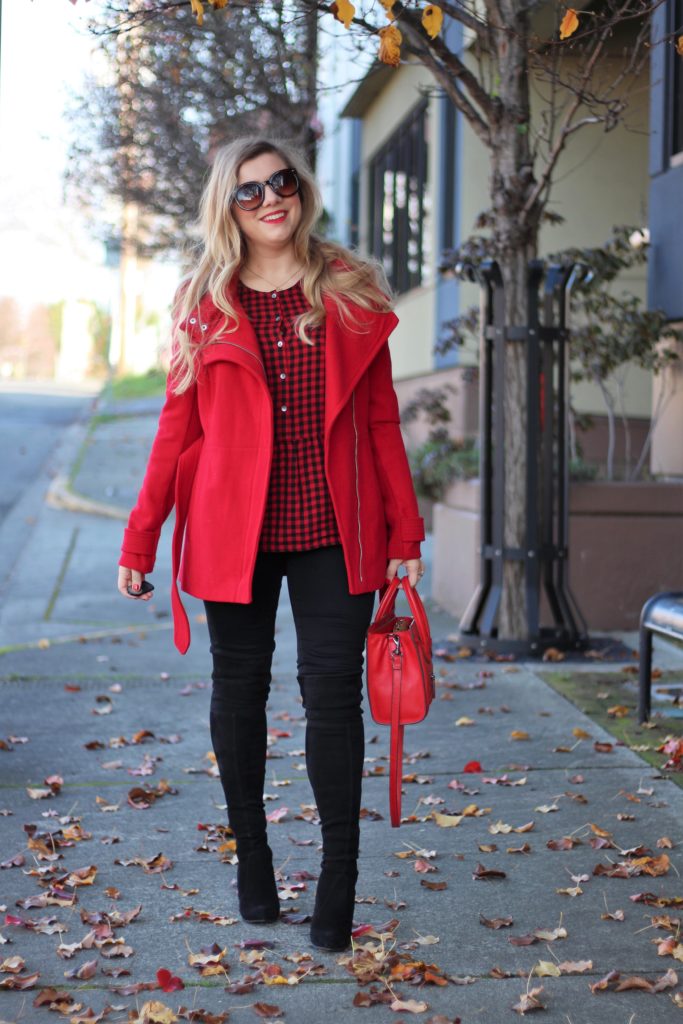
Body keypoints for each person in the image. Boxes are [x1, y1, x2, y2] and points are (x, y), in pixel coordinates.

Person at [117, 137, 425, 953]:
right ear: (229, 209)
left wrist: (405, 530)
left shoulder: (347, 288)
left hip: (333, 529)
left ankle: (336, 888)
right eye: (248, 192)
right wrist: (140, 538)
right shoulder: (204, 302)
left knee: (332, 699)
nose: (269, 200)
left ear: (300, 187)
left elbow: (381, 421)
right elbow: (174, 428)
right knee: (239, 691)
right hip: (233, 533)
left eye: (279, 182)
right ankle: (252, 860)